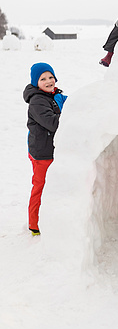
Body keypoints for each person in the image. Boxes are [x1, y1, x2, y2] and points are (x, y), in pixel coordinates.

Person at [23, 63, 67, 235]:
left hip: (52, 149)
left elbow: (74, 103)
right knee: (40, 186)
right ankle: (34, 224)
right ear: (36, 82)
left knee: (53, 187)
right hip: (42, 153)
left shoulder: (55, 95)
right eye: (43, 79)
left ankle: (51, 218)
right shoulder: (37, 101)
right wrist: (71, 115)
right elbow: (53, 123)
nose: (48, 81)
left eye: (51, 77)